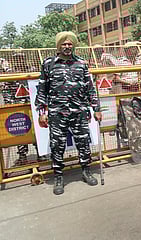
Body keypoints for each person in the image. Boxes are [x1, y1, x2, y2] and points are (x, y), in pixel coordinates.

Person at [35, 31, 102, 195]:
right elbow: (42, 89)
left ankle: (86, 171)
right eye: (64, 44)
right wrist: (42, 112)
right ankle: (58, 176)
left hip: (79, 111)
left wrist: (96, 109)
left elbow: (90, 88)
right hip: (57, 113)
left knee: (83, 143)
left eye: (70, 43)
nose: (67, 46)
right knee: (57, 145)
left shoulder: (81, 63)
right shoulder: (49, 64)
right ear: (58, 45)